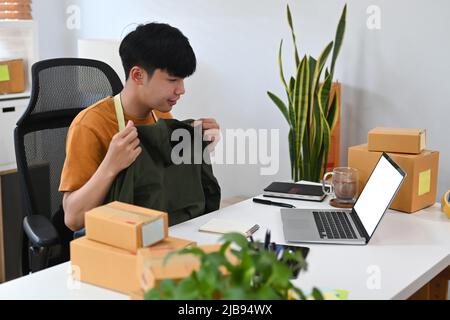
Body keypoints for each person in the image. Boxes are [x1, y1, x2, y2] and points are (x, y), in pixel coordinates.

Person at [59, 22, 220, 231]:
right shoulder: (90, 125)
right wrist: (111, 165)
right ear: (138, 75)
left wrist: (196, 142)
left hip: (156, 235)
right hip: (114, 244)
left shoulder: (161, 114)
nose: (181, 90)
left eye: (182, 80)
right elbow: (73, 219)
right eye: (172, 80)